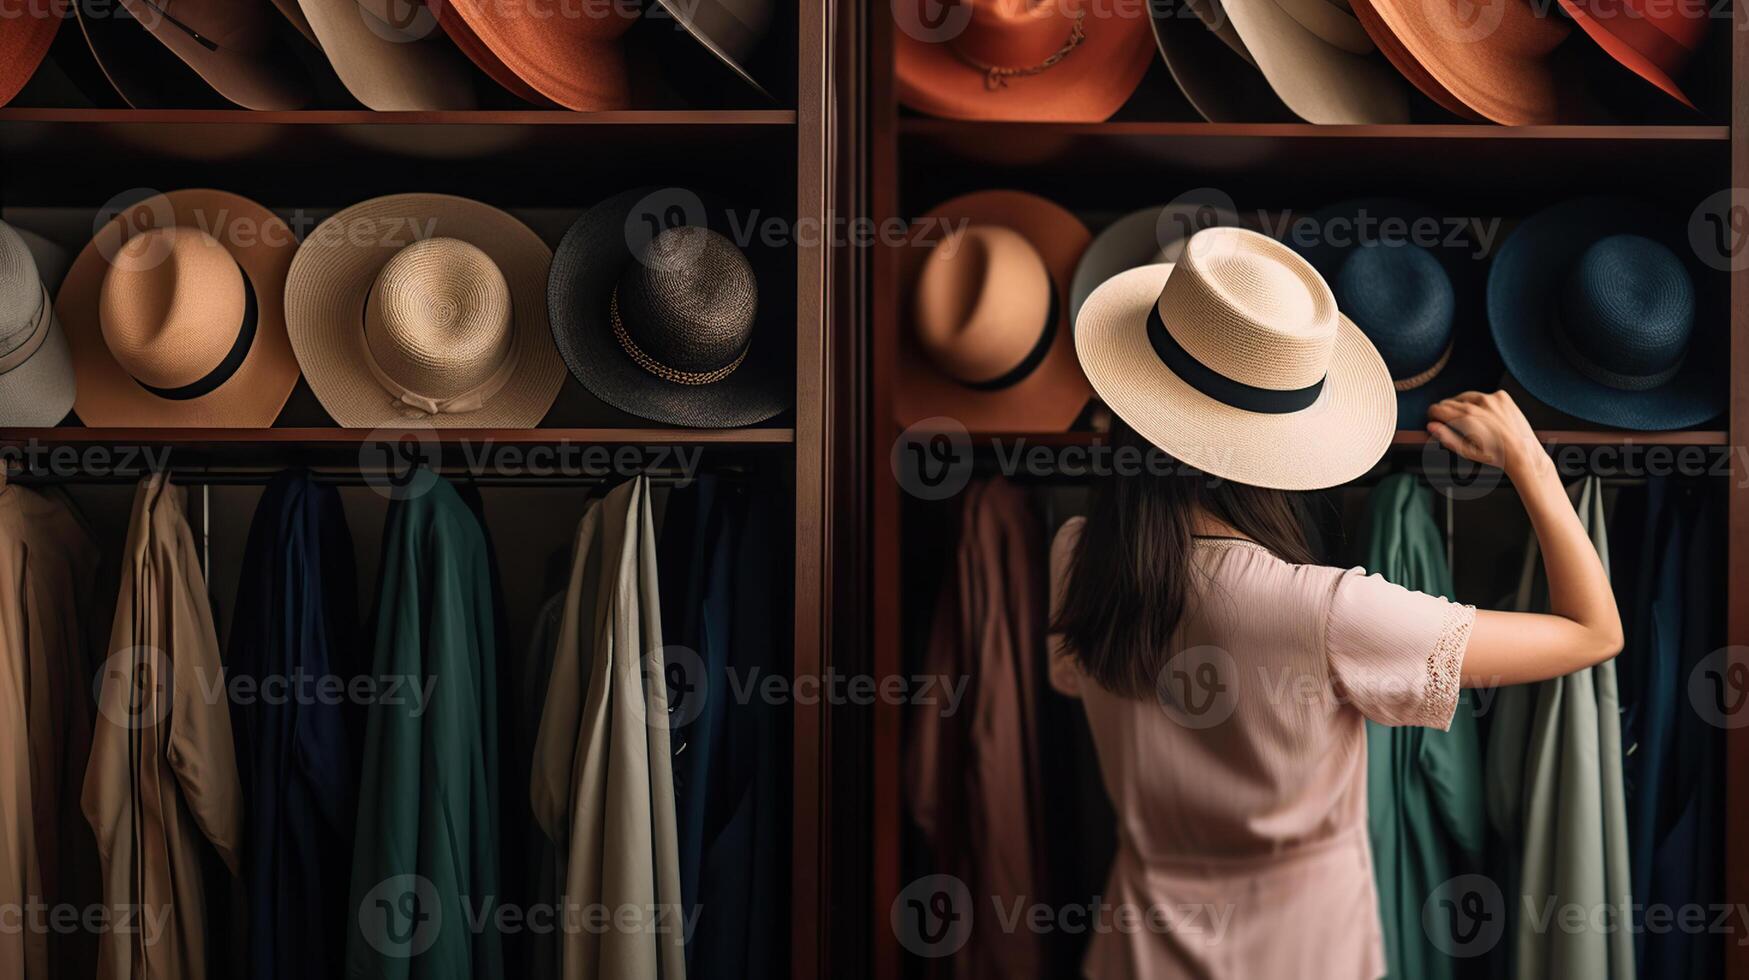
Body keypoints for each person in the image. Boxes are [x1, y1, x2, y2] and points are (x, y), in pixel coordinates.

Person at [1048, 391, 1622, 978]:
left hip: (1138, 952)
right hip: (1304, 955)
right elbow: (1593, 632)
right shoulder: (1328, 612)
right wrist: (1530, 459)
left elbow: (1078, 682)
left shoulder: (1076, 561)